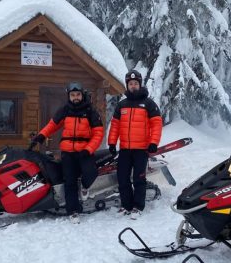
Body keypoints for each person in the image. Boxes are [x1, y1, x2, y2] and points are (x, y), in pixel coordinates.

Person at [32, 82, 104, 224]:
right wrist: (41, 136)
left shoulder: (91, 111)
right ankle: (73, 211)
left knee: (91, 172)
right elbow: (52, 125)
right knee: (69, 181)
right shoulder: (65, 110)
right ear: (69, 96)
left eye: (78, 95)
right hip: (67, 152)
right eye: (72, 95)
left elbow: (98, 133)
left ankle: (84, 186)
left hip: (84, 150)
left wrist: (88, 149)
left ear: (82, 95)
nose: (75, 97)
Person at [108, 70, 163, 219]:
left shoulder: (148, 104)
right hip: (125, 149)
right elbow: (115, 126)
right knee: (122, 178)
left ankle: (138, 207)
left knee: (139, 179)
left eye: (136, 83)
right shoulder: (122, 105)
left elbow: (156, 124)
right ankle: (127, 205)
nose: (133, 86)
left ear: (140, 84)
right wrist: (112, 143)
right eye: (130, 84)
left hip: (141, 150)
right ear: (127, 85)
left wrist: (153, 142)